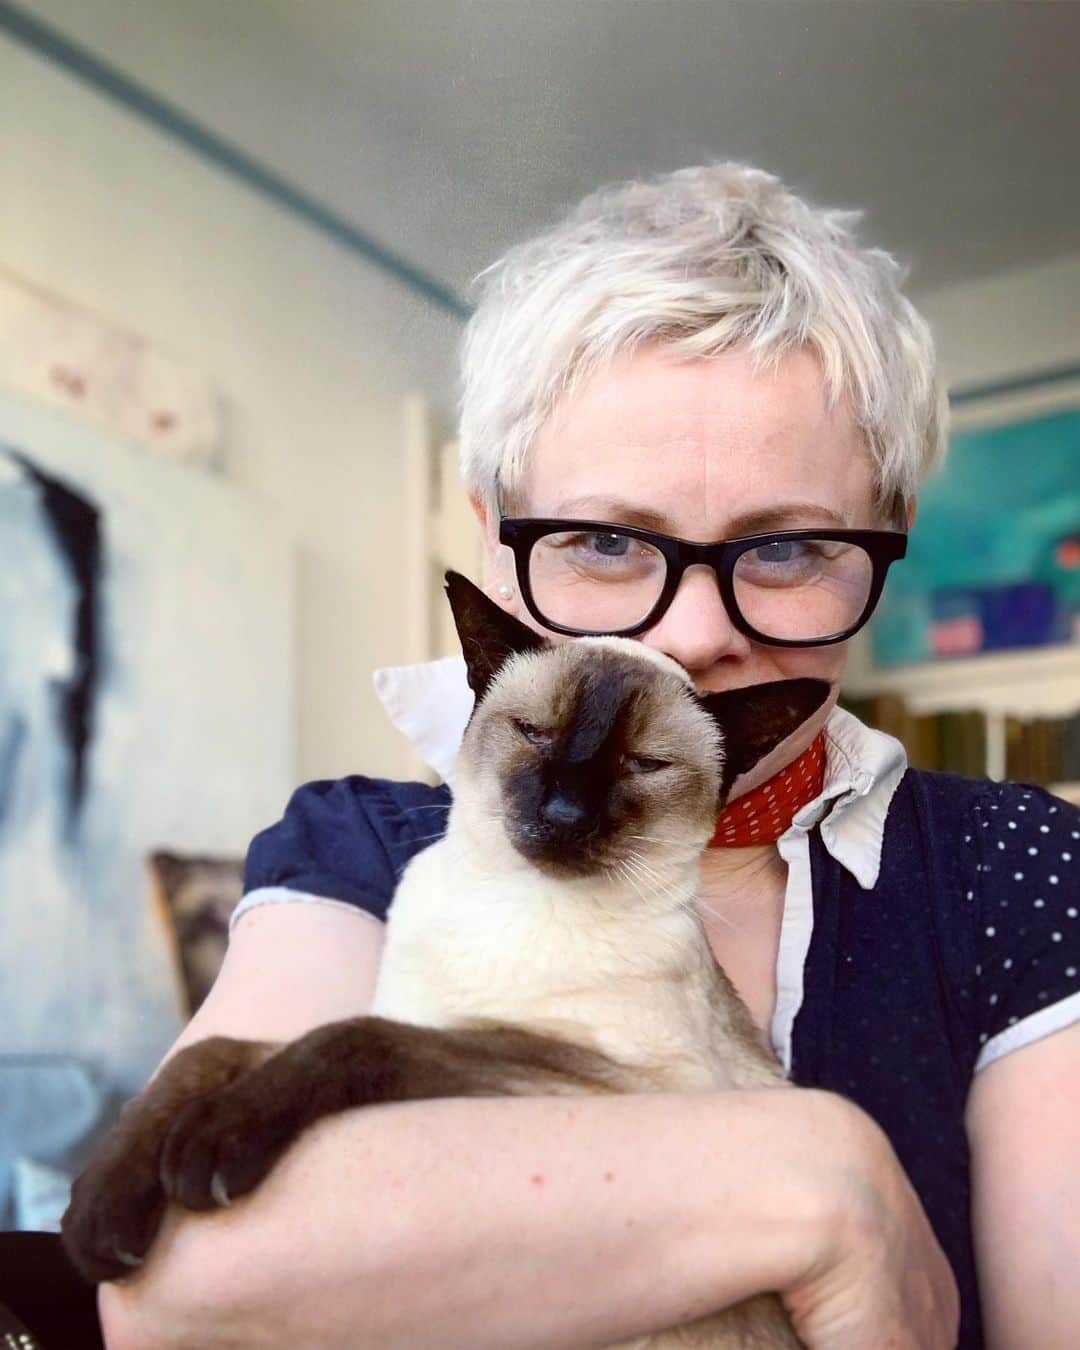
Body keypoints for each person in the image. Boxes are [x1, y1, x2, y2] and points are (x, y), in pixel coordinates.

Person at [100, 164, 1079, 1350]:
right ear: (495, 542)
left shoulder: (1020, 863)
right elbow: (175, 1292)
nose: (693, 637)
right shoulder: (361, 848)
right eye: (607, 540)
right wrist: (827, 1188)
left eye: (789, 552)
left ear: (885, 549)